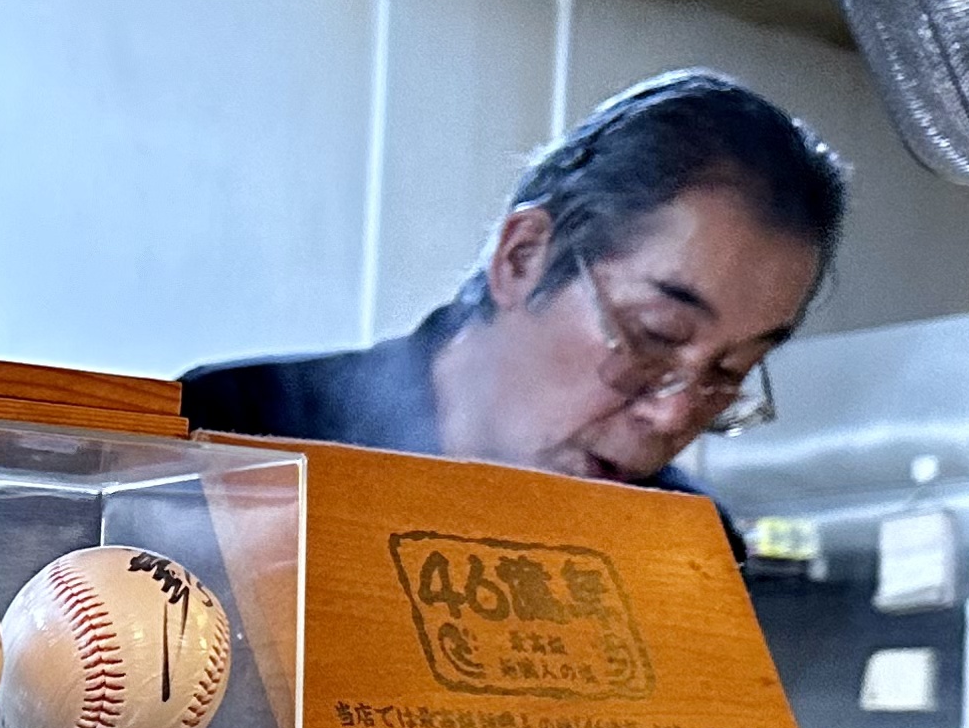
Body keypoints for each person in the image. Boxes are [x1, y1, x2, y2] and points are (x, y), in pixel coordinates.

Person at [181, 71, 847, 489]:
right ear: (523, 258)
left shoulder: (686, 546)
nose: (672, 415)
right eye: (654, 335)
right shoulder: (231, 434)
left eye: (729, 373)